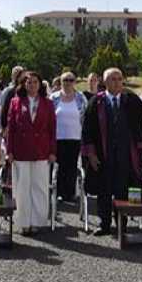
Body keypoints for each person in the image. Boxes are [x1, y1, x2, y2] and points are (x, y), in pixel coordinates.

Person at [82, 67, 142, 236]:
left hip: (127, 154)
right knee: (104, 191)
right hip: (103, 154)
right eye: (113, 79)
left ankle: (121, 224)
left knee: (123, 190)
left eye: (119, 79)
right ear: (105, 82)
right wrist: (91, 154)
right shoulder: (96, 102)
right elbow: (87, 130)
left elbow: (141, 126)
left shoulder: (131, 100)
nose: (117, 82)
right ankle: (104, 224)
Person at [6, 71, 56, 234]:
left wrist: (52, 151)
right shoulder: (15, 102)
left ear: (40, 84)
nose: (32, 85)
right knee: (22, 188)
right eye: (29, 82)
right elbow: (11, 129)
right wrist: (9, 151)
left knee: (39, 187)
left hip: (42, 151)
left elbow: (52, 129)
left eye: (35, 82)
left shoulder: (48, 103)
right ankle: (23, 222)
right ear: (23, 85)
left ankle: (37, 222)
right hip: (21, 150)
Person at [51, 72, 87, 203]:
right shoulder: (54, 97)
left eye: (71, 80)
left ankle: (70, 193)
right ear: (61, 82)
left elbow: (86, 118)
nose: (68, 82)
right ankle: (59, 192)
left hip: (75, 137)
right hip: (58, 137)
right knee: (59, 166)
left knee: (72, 166)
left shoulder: (81, 97)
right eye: (65, 80)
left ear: (75, 82)